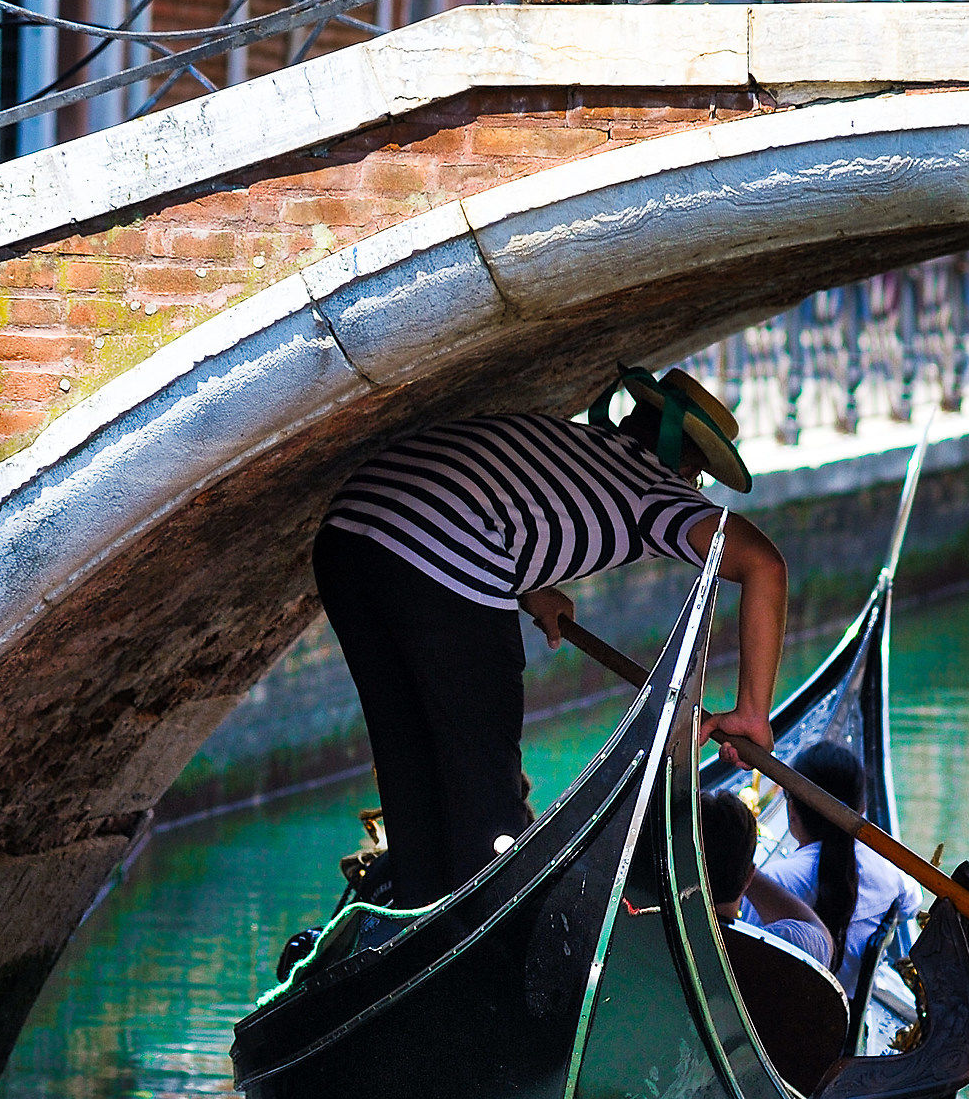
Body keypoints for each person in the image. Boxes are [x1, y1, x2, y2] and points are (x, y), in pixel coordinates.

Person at [311, 367, 788, 908]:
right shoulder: (654, 487)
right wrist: (752, 712)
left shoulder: (567, 442)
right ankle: (494, 938)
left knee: (409, 765)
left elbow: (499, 503)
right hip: (437, 557)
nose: (695, 491)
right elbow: (763, 564)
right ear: (685, 462)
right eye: (698, 477)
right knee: (487, 799)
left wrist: (534, 590)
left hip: (346, 540)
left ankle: (416, 906)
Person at [757, 741, 922, 998]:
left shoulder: (774, 882)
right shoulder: (891, 874)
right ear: (862, 809)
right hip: (849, 1023)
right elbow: (912, 903)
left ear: (792, 810)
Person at [698, 790, 835, 966]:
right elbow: (820, 935)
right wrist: (740, 862)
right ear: (749, 877)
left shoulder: (658, 936)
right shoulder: (767, 953)